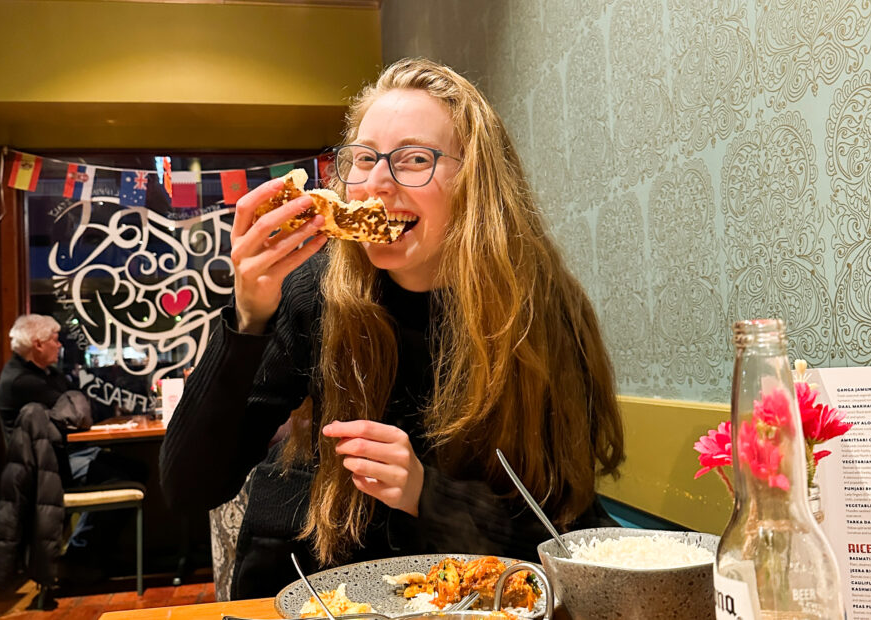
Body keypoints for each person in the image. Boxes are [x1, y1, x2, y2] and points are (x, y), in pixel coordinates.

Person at [160, 58, 625, 599]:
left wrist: (427, 494)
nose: (374, 185)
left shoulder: (540, 309)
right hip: (310, 589)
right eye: (362, 159)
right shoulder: (317, 290)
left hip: (475, 598)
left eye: (412, 160)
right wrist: (247, 316)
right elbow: (189, 486)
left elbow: (563, 527)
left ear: (475, 180)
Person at [0, 314, 146, 576]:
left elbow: (85, 407)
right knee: (120, 477)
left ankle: (93, 553)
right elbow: (80, 411)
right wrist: (77, 402)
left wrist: (77, 402)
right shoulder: (21, 381)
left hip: (68, 453)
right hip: (48, 467)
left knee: (138, 470)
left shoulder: (45, 373)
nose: (61, 345)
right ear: (38, 344)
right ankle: (80, 555)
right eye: (55, 340)